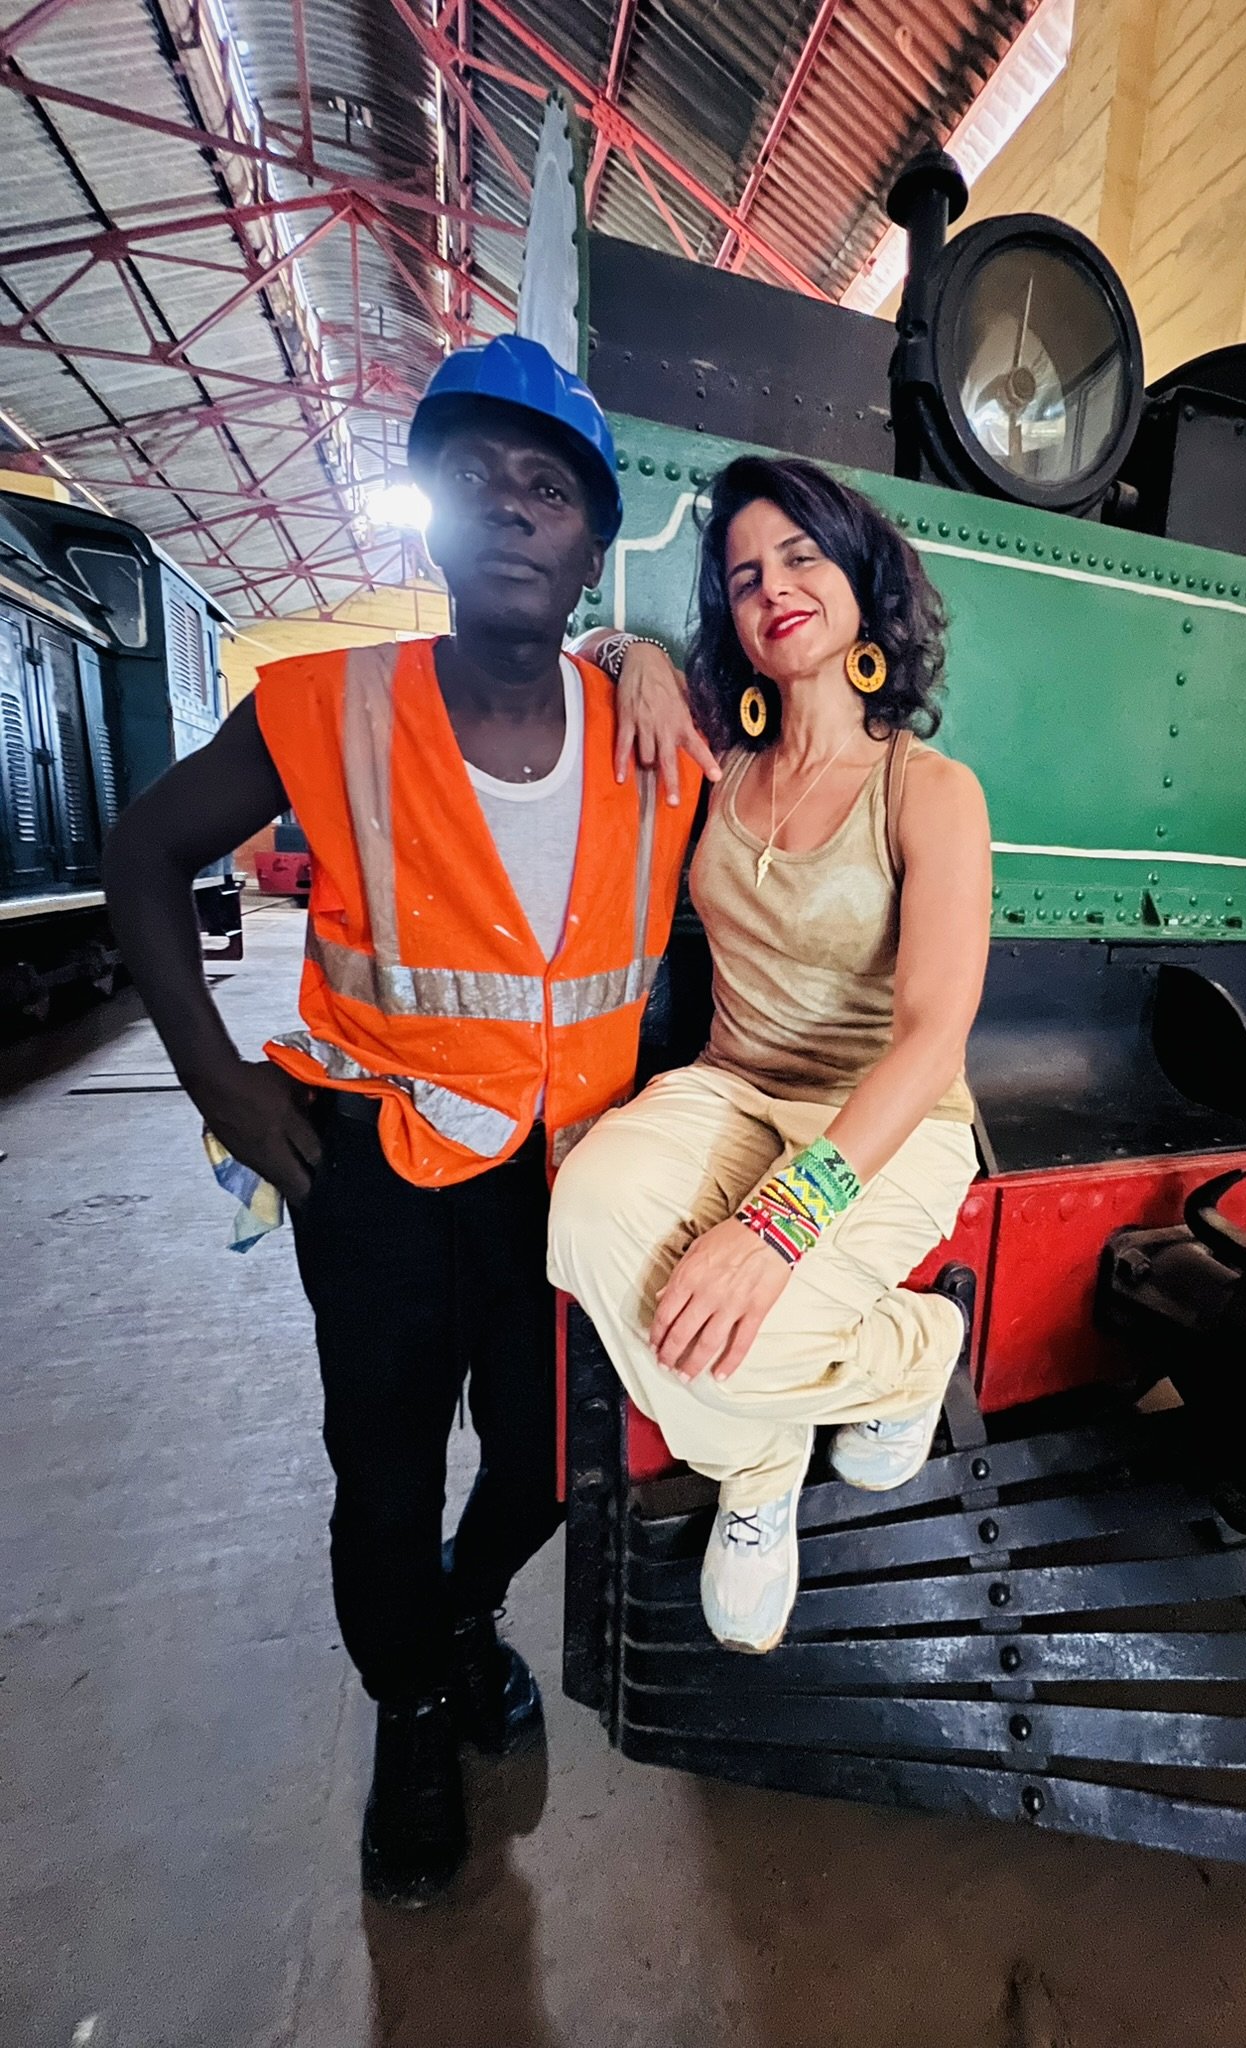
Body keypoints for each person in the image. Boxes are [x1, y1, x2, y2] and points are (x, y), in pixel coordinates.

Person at [102, 333, 717, 1907]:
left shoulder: (660, 736)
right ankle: (414, 1713)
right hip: (370, 1169)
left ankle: (456, 1611)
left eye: (549, 488)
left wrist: (656, 652)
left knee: (535, 1468)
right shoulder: (328, 705)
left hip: (565, 1182)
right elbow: (146, 851)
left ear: (592, 543)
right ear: (431, 522)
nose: (511, 510)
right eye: (473, 481)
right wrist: (213, 1075)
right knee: (379, 1474)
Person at [548, 454, 994, 1655]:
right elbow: (585, 645)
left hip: (884, 1118)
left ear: (860, 584)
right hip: (732, 1087)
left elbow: (933, 1034)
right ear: (733, 623)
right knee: (582, 1217)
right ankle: (763, 1456)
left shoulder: (929, 788)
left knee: (749, 1332)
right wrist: (634, 655)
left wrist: (779, 1221)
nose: (775, 588)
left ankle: (909, 1356)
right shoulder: (719, 756)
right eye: (745, 575)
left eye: (802, 556)